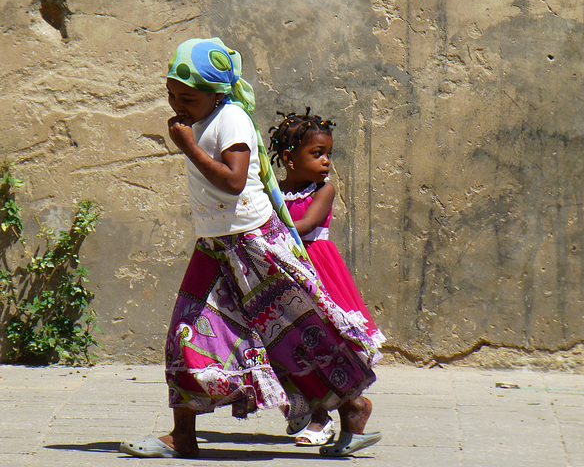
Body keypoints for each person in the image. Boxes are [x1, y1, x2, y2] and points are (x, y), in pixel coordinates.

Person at [119, 37, 382, 459]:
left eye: (186, 96)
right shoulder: (200, 121)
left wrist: (187, 145)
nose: (177, 104)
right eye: (170, 94)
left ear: (217, 93)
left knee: (297, 333)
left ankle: (352, 406)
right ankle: (182, 435)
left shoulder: (232, 119)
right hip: (215, 245)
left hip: (254, 243)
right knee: (186, 331)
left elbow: (234, 181)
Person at [268, 110, 386, 448]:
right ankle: (315, 410)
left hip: (318, 275)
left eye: (328, 155)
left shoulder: (324, 191)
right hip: (286, 274)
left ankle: (324, 418)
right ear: (289, 159)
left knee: (321, 344)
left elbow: (302, 228)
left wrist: (267, 224)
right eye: (317, 154)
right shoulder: (273, 191)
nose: (326, 162)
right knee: (292, 347)